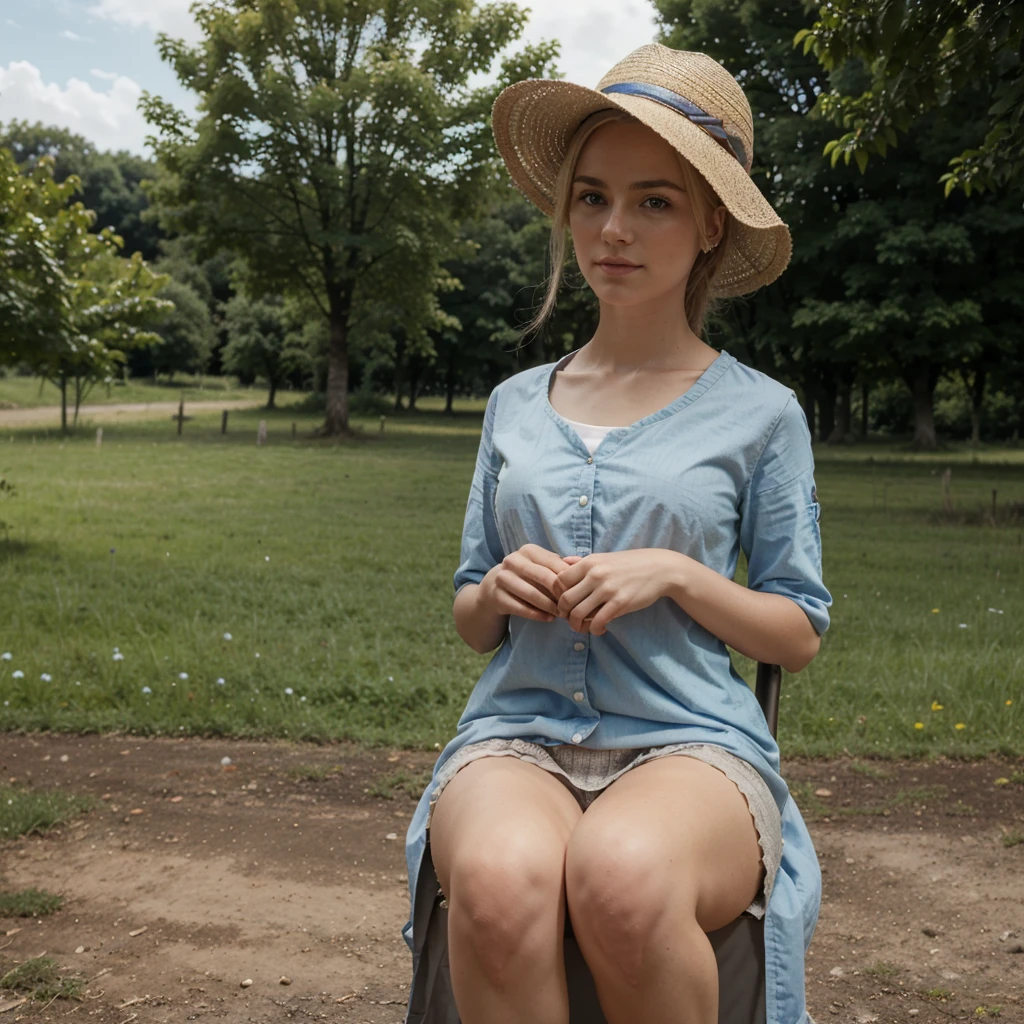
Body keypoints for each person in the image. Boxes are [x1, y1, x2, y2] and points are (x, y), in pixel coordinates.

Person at [402, 44, 832, 1024]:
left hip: (689, 742)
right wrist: (498, 584)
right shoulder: (514, 403)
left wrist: (677, 572)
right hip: (515, 737)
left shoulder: (763, 416)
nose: (613, 228)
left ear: (708, 222)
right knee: (503, 880)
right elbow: (470, 618)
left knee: (622, 874)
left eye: (653, 201)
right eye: (591, 197)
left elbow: (795, 633)